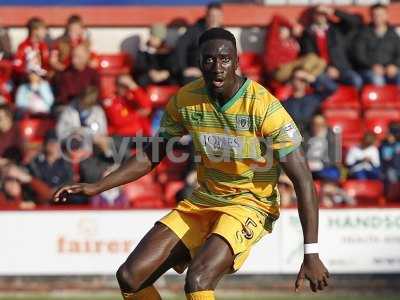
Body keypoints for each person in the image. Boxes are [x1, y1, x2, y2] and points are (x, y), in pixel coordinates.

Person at [54, 28, 329, 300]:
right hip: (203, 201)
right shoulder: (186, 100)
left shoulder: (264, 107)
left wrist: (311, 252)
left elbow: (303, 179)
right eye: (209, 59)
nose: (217, 67)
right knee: (130, 277)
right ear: (200, 62)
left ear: (236, 62)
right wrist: (97, 186)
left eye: (225, 59)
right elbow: (152, 154)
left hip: (250, 204)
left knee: (198, 280)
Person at [300, 5, 363, 89]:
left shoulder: (337, 29)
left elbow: (355, 22)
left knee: (356, 80)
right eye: (318, 14)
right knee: (328, 85)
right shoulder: (308, 34)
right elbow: (310, 55)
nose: (321, 17)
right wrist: (327, 69)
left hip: (342, 68)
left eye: (323, 14)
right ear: (313, 15)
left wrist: (333, 11)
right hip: (321, 69)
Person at [264, 15, 326, 83]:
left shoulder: (293, 43)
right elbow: (276, 17)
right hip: (278, 70)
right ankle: (303, 73)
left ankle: (309, 75)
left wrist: (298, 31)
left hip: (292, 70)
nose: (283, 31)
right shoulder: (273, 40)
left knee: (322, 62)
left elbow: (305, 36)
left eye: (285, 30)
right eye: (281, 29)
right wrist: (292, 26)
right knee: (311, 57)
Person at [174, 2, 223, 84]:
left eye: (217, 16)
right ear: (206, 16)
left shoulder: (224, 34)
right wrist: (183, 69)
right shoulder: (194, 31)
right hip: (196, 74)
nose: (214, 19)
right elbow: (180, 47)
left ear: (221, 18)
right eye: (211, 16)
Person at [354, 3, 400, 86]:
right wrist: (372, 66)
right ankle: (383, 99)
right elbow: (359, 55)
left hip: (389, 69)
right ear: (371, 16)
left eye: (381, 14)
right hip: (369, 70)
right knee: (377, 79)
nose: (378, 17)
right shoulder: (363, 33)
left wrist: (394, 65)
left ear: (387, 15)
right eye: (375, 15)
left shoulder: (393, 34)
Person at [281, 68, 337, 133]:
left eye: (303, 80)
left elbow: (332, 88)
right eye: (297, 79)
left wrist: (309, 77)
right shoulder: (285, 103)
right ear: (292, 81)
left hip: (312, 135)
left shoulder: (314, 98)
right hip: (293, 136)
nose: (300, 82)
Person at [305, 114, 340, 182]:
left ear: (325, 125)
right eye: (315, 124)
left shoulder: (332, 138)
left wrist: (320, 165)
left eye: (321, 125)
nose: (317, 127)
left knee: (333, 174)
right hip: (306, 168)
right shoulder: (305, 137)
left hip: (325, 168)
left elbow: (334, 159)